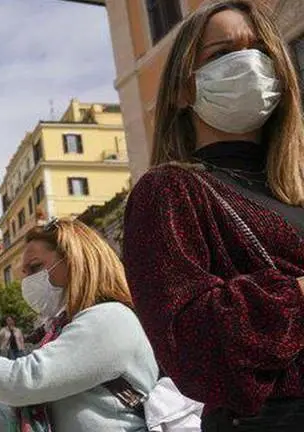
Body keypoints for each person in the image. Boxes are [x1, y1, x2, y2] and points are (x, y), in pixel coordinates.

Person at [122, 1, 304, 431]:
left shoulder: (295, 189)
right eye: (223, 53)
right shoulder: (167, 192)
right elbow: (189, 345)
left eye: (261, 50)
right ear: (182, 89)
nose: (250, 63)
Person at [0, 219, 197, 431]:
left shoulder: (110, 319)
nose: (27, 280)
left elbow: (22, 382)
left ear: (74, 261)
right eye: (24, 272)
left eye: (35, 267)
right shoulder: (62, 333)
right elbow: (14, 418)